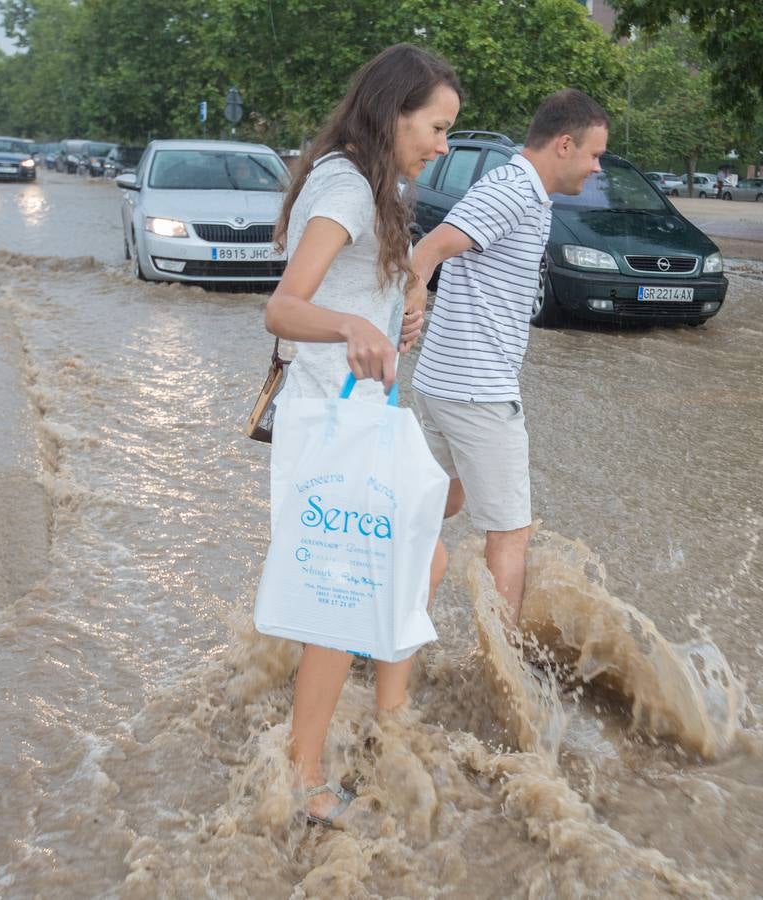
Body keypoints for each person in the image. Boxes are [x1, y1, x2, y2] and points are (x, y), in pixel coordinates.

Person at [263, 43, 461, 828]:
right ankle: (304, 776)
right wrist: (352, 324)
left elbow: (369, 285)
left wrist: (399, 307)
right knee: (340, 595)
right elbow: (283, 307)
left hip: (356, 419)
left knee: (425, 558)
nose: (443, 146)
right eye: (438, 127)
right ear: (394, 111)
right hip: (327, 425)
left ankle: (390, 721)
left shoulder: (376, 186)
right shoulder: (345, 185)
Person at [403, 89, 609, 627]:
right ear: (564, 144)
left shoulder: (515, 188)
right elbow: (427, 250)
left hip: (443, 382)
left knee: (431, 507)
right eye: (594, 154)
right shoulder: (516, 189)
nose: (595, 167)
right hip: (479, 391)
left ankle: (381, 618)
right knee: (511, 531)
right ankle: (504, 667)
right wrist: (413, 295)